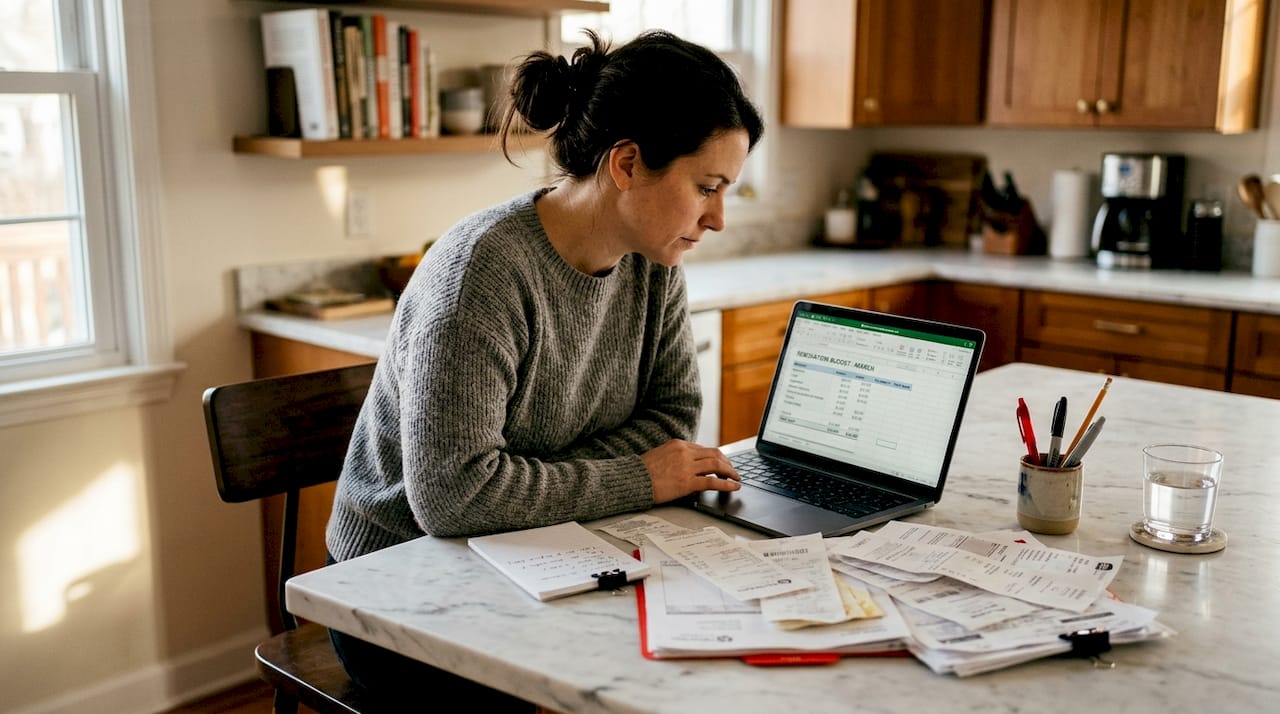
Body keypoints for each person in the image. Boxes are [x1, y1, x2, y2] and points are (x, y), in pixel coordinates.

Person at [324, 29, 764, 707]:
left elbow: (671, 419)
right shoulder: (482, 276)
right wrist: (634, 478)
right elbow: (453, 498)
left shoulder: (654, 262)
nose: (719, 218)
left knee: (703, 660)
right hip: (400, 585)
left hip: (547, 543)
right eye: (707, 187)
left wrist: (534, 481)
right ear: (626, 163)